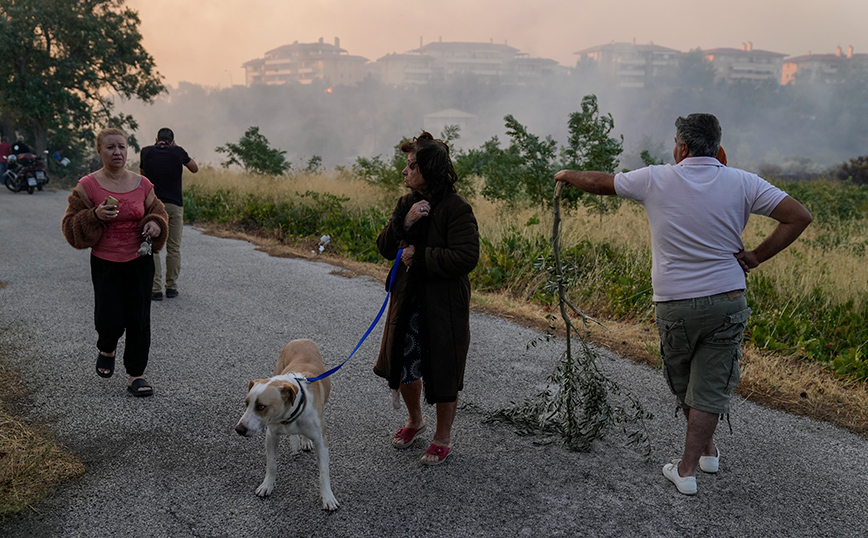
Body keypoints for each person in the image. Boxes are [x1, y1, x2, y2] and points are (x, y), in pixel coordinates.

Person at [554, 113, 812, 495]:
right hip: (726, 299)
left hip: (675, 304)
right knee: (708, 382)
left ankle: (686, 470)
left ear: (682, 147)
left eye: (676, 141)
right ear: (719, 148)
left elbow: (598, 182)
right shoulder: (743, 181)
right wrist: (756, 256)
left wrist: (565, 174)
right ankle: (706, 451)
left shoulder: (656, 178)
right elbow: (798, 216)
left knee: (685, 382)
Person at [374, 131, 479, 465]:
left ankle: (442, 437)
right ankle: (415, 421)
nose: (404, 172)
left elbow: (466, 257)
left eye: (411, 166)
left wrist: (419, 257)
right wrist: (404, 223)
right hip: (407, 301)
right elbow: (385, 247)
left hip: (443, 303)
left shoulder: (457, 208)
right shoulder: (406, 203)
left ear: (429, 170)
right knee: (404, 363)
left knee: (444, 367)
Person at [62, 128, 169, 397]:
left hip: (140, 261)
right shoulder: (87, 186)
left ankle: (136, 374)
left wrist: (155, 225)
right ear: (99, 151)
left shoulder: (142, 184)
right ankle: (107, 348)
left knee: (139, 320)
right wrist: (95, 215)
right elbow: (70, 227)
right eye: (110, 147)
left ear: (128, 149)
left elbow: (159, 213)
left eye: (121, 147)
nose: (117, 152)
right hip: (105, 262)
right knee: (109, 319)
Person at [140, 127, 198, 301]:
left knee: (153, 247)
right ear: (173, 141)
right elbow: (194, 168)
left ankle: (155, 289)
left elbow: (143, 176)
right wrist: (176, 149)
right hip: (174, 205)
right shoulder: (177, 151)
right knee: (173, 247)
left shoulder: (146, 151)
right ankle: (171, 287)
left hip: (153, 206)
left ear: (156, 140)